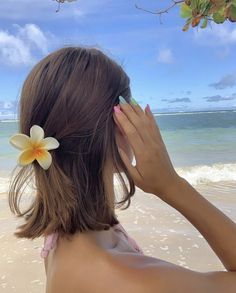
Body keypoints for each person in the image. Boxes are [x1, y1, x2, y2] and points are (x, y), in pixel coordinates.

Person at [8, 46, 236, 293]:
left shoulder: (62, 234)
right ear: (120, 124)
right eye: (129, 108)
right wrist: (173, 186)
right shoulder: (131, 281)